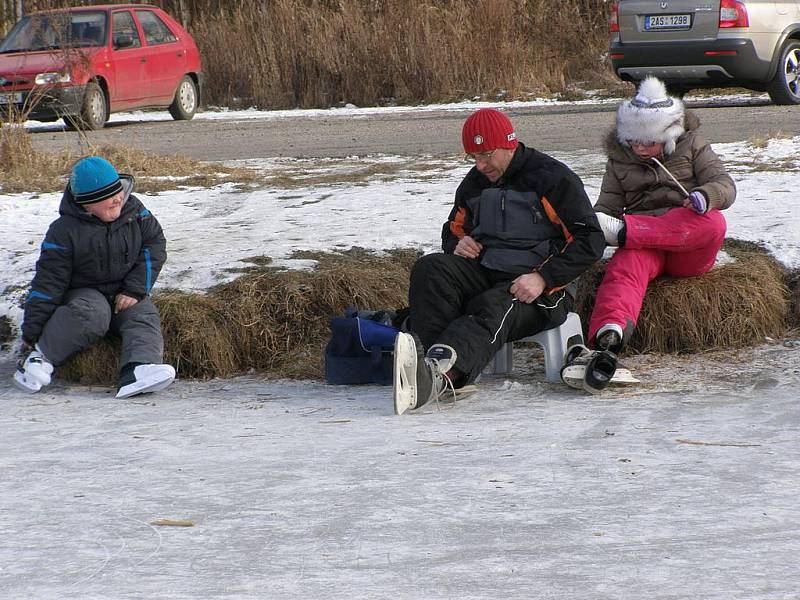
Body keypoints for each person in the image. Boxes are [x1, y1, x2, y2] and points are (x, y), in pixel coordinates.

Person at [393, 108, 606, 414]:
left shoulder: (553, 178)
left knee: (497, 302)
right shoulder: (477, 181)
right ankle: (427, 364)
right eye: (474, 157)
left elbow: (590, 240)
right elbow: (453, 227)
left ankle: (447, 375)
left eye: (487, 155)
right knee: (431, 268)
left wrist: (544, 278)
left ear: (509, 144)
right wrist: (458, 243)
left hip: (541, 290)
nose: (480, 165)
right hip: (487, 271)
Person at [587, 76, 736, 378]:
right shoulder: (618, 160)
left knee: (714, 222)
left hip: (687, 245)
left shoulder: (693, 145)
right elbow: (606, 211)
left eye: (649, 141)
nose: (641, 149)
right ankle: (610, 333)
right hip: (646, 247)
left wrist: (705, 197)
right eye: (634, 141)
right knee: (625, 267)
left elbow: (725, 186)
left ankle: (632, 232)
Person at [13, 156, 175, 399]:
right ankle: (40, 357)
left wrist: (135, 288)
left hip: (124, 288)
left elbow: (155, 244)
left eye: (118, 191)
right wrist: (31, 333)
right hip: (84, 291)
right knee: (92, 314)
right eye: (108, 198)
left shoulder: (135, 210)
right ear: (87, 205)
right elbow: (48, 283)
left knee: (143, 313)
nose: (118, 198)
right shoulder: (64, 231)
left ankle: (138, 370)